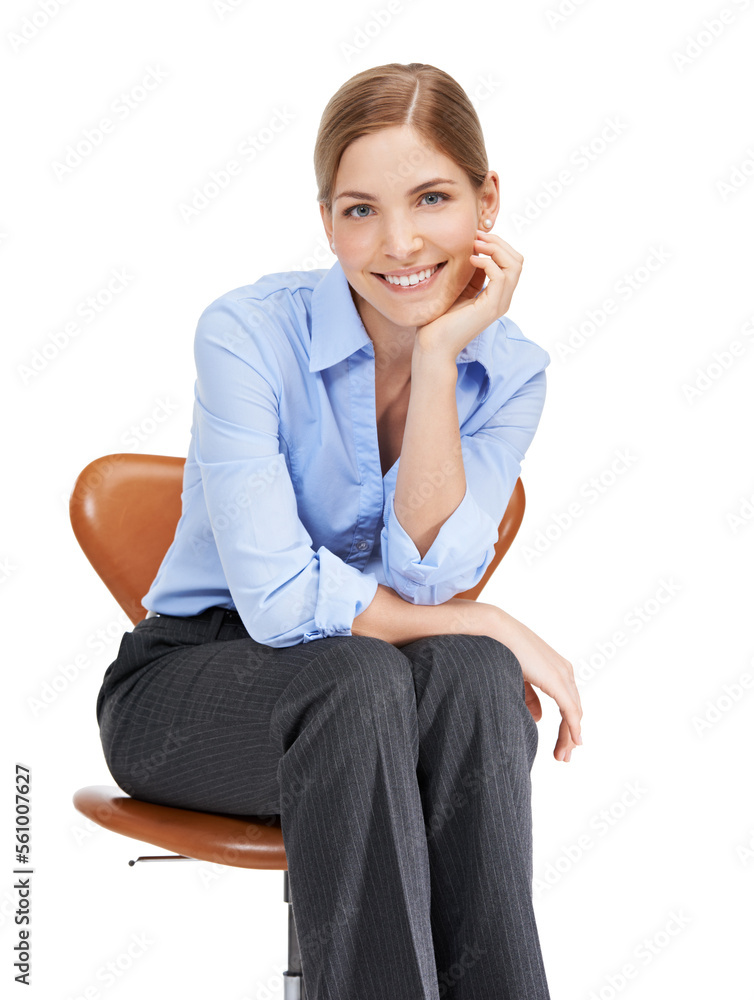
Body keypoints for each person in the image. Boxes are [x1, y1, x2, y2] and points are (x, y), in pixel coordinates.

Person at [95, 62, 583, 1000]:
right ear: (327, 222)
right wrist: (498, 621)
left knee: (470, 676)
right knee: (376, 674)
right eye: (360, 210)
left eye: (433, 198)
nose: (398, 242)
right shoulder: (246, 333)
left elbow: (432, 587)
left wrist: (438, 357)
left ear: (487, 202)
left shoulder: (510, 372)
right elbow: (279, 606)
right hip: (191, 687)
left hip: (379, 690)